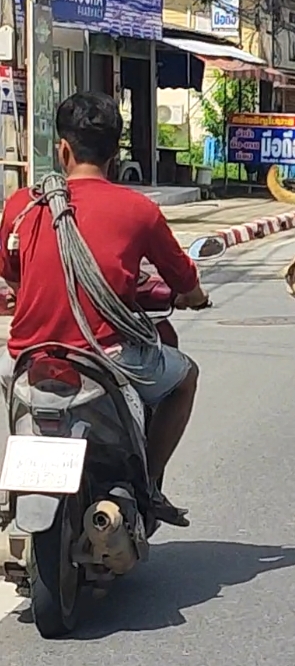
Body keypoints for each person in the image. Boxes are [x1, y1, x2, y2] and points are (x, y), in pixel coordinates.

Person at [0, 93, 210, 523]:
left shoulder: (23, 205)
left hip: (26, 359)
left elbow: (13, 275)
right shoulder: (139, 210)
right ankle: (148, 486)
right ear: (116, 153)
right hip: (107, 358)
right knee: (185, 377)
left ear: (62, 149)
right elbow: (185, 283)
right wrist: (193, 298)